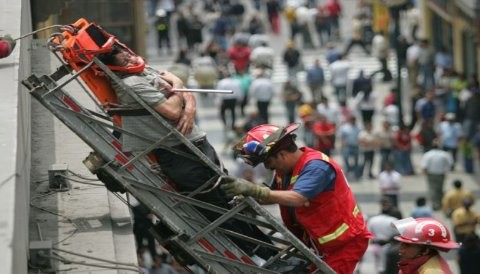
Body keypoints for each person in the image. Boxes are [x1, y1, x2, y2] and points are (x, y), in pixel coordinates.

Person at [97, 44, 275, 261]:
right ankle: (257, 254)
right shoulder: (131, 82)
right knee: (218, 208)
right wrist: (180, 86)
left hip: (194, 147)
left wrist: (187, 102)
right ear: (115, 69)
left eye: (130, 55)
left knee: (229, 201)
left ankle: (267, 251)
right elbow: (172, 110)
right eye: (125, 61)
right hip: (180, 154)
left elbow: (183, 98)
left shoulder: (145, 72)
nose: (132, 60)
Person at [221, 123, 373, 273]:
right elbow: (274, 195)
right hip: (318, 244)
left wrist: (254, 190)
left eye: (268, 162)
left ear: (282, 154)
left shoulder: (316, 167)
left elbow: (297, 198)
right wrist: (247, 196)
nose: (268, 168)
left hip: (343, 244)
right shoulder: (285, 170)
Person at [392, 217, 460, 274]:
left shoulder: (432, 272)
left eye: (407, 245)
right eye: (401, 243)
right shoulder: (417, 265)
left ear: (425, 250)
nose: (401, 249)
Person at [420, 141, 453, 210]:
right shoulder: (444, 154)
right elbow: (450, 164)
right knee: (440, 189)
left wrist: (425, 174)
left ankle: (435, 204)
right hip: (441, 174)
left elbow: (424, 166)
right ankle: (440, 203)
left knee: (432, 189)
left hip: (431, 174)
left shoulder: (428, 154)